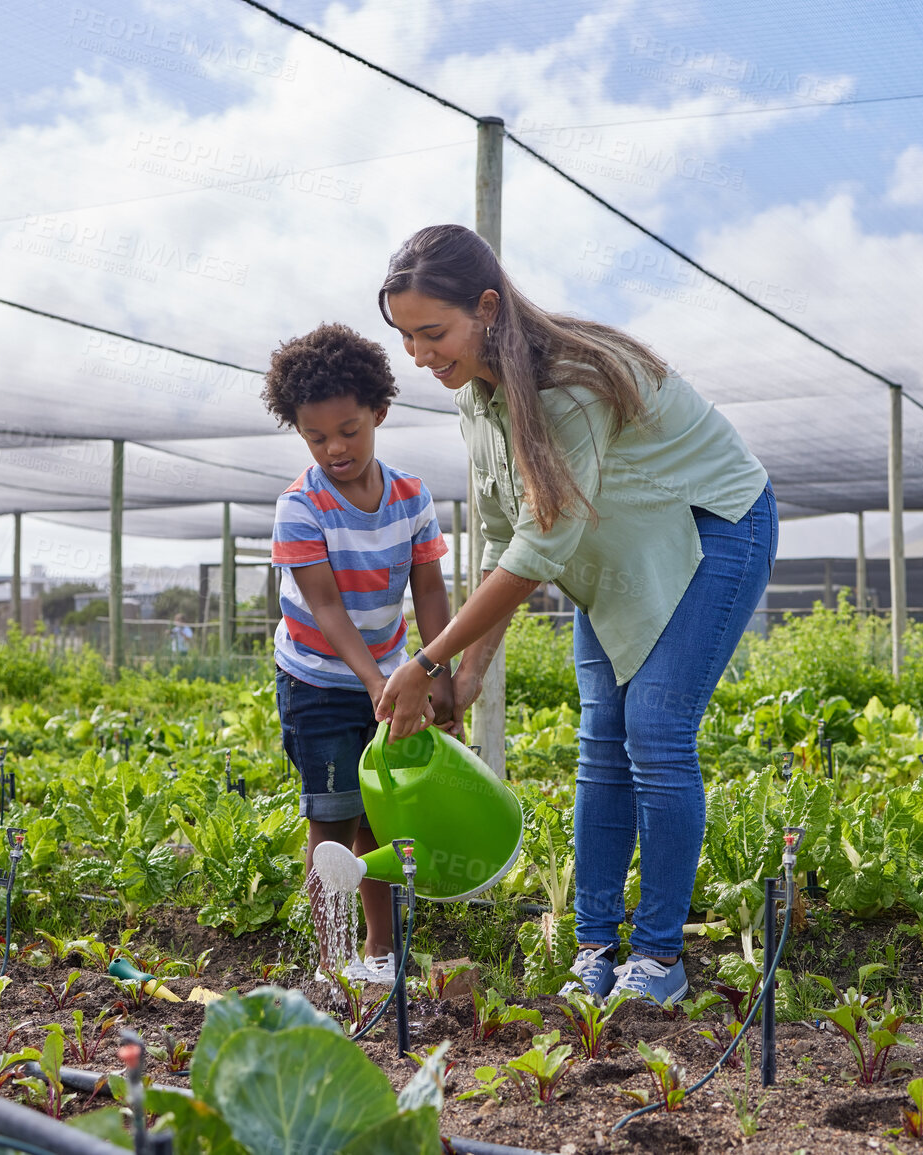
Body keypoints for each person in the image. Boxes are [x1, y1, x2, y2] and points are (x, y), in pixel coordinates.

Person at [374, 224, 776, 1004]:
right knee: (601, 740)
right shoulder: (478, 401)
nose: (420, 355)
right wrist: (466, 672)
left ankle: (657, 959)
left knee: (654, 729)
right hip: (617, 550)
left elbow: (539, 546)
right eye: (406, 338)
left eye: (433, 332)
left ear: (486, 308)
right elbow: (499, 535)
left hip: (712, 524)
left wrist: (423, 664)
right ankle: (596, 946)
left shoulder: (571, 384)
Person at [262, 322, 459, 984]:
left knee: (380, 816)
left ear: (379, 411)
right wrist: (382, 679)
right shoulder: (300, 506)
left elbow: (428, 587)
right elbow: (324, 607)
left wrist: (436, 673)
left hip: (390, 675)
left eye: (349, 429)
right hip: (317, 683)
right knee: (333, 818)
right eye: (316, 437)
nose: (335, 447)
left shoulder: (411, 496)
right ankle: (332, 961)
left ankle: (380, 954)